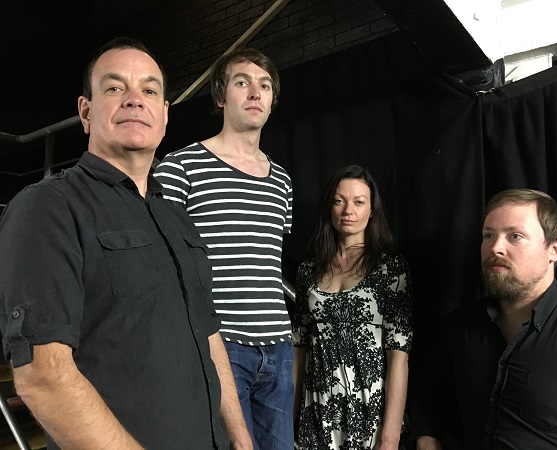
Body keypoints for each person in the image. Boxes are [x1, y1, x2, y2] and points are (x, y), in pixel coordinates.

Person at [0, 37, 252, 450]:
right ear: (86, 112)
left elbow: (208, 334)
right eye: (115, 88)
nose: (135, 100)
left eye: (149, 91)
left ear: (164, 115)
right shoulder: (47, 208)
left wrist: (241, 439)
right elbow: (43, 378)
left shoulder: (177, 218)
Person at [154, 47, 294, 449]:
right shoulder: (181, 167)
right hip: (220, 346)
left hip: (279, 347)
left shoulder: (281, 180)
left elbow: (265, 261)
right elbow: (163, 262)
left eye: (264, 85)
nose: (255, 92)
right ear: (220, 96)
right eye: (242, 82)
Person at [413, 188, 557, 450]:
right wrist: (426, 436)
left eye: (515, 236)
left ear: (554, 249)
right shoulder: (461, 325)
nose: (495, 248)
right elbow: (428, 398)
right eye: (488, 235)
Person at [292, 165, 413, 450]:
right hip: (317, 413)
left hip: (370, 415)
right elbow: (298, 351)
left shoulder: (390, 269)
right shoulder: (308, 271)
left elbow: (399, 356)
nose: (348, 210)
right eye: (339, 201)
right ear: (329, 208)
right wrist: (287, 421)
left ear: (372, 211)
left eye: (359, 202)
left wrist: (390, 436)